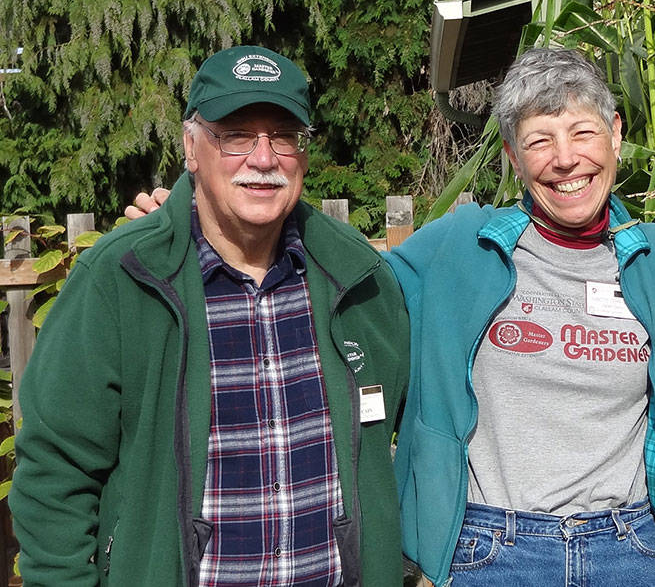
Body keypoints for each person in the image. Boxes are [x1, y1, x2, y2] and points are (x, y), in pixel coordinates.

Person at [11, 45, 410, 586]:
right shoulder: (123, 280)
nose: (263, 159)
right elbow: (54, 470)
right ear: (190, 147)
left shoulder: (358, 278)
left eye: (283, 136)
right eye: (236, 136)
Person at [387, 48, 655, 586]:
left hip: (631, 552)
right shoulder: (460, 247)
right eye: (540, 140)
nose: (565, 160)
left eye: (582, 133)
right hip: (492, 554)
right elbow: (345, 288)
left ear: (615, 135)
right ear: (513, 158)